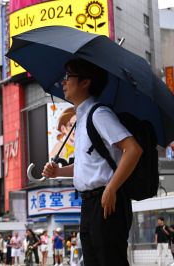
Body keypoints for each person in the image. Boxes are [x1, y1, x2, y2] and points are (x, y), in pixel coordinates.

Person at [42, 58, 142, 266]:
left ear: (85, 82)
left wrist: (112, 188)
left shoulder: (99, 114)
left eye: (69, 77)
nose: (64, 82)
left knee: (109, 260)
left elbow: (133, 149)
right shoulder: (82, 118)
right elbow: (86, 167)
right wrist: (58, 172)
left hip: (106, 201)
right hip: (89, 204)